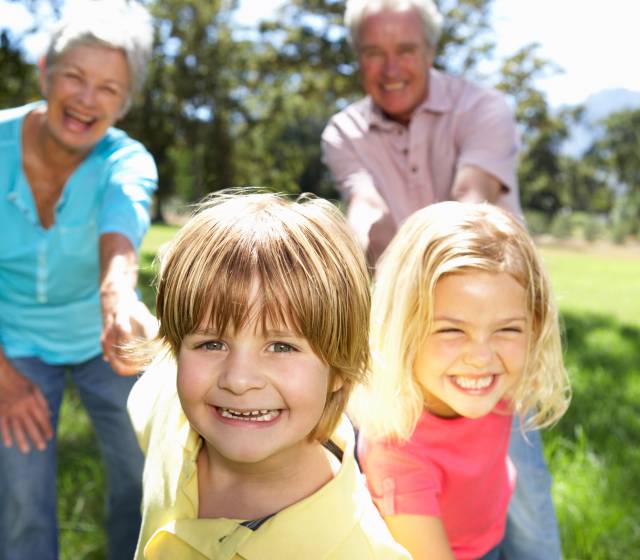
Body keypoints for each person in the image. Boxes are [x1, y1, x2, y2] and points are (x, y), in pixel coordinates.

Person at [321, 2, 562, 558]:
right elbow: (363, 203)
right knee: (412, 474)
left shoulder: (484, 108)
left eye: (405, 50)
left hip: (487, 305)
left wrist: (444, 256)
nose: (390, 67)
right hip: (420, 336)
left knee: (520, 492)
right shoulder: (345, 131)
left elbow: (474, 193)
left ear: (431, 51)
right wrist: (347, 257)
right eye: (373, 53)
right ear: (358, 59)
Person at [127, 191, 411, 560]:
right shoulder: (170, 410)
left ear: (340, 369)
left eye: (281, 347)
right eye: (212, 344)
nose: (239, 379)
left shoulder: (361, 551)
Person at [0, 2, 157, 559]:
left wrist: (118, 300)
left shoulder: (127, 161)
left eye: (109, 88)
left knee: (146, 478)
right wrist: (4, 378)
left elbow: (121, 235)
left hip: (101, 340)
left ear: (124, 101)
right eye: (74, 76)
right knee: (20, 500)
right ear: (45, 70)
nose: (88, 99)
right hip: (10, 345)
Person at [351, 201, 571, 560]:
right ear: (403, 328)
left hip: (491, 537)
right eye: (452, 330)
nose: (481, 358)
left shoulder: (497, 386)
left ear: (534, 324)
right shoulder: (396, 451)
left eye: (507, 329)